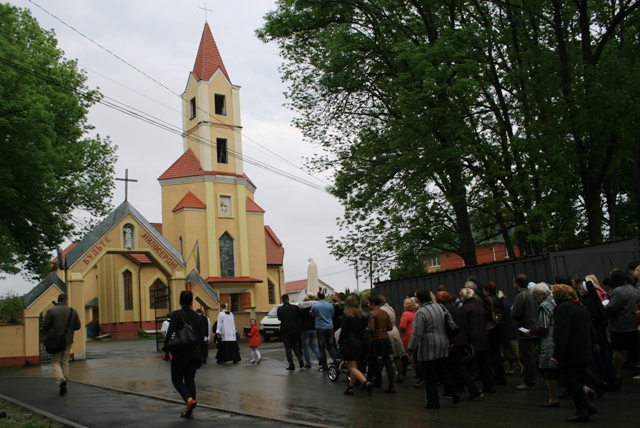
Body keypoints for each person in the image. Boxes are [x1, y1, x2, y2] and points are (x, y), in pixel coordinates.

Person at [550, 284, 597, 423]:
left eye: (554, 294)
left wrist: (557, 355)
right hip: (583, 351)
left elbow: (561, 334)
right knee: (579, 380)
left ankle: (582, 411)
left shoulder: (563, 308)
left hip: (571, 353)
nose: (553, 296)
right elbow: (591, 330)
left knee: (572, 383)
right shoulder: (580, 305)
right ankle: (588, 406)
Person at [408, 288, 460, 409]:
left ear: (419, 299)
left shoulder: (421, 313)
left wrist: (411, 348)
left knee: (430, 376)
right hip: (443, 342)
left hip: (429, 346)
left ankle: (433, 402)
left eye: (416, 297)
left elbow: (417, 334)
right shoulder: (440, 307)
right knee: (442, 371)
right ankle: (454, 391)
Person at [161, 291, 207, 419]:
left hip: (180, 353)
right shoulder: (198, 318)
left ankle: (188, 400)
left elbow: (170, 333)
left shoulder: (176, 315)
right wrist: (202, 355)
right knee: (190, 380)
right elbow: (202, 337)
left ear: (180, 301)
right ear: (192, 301)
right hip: (195, 354)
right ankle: (190, 411)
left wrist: (166, 350)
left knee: (176, 379)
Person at [437, 291, 483, 401]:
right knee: (457, 366)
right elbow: (466, 326)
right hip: (463, 341)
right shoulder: (459, 309)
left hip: (453, 342)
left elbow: (445, 328)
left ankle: (473, 390)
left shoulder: (443, 311)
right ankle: (457, 389)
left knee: (456, 367)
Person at [605, 268, 640, 385]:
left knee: (617, 349)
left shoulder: (618, 291)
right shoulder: (633, 289)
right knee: (635, 347)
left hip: (620, 326)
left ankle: (617, 374)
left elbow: (612, 308)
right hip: (633, 323)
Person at [41, 293, 81, 395]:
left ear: (58, 301)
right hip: (68, 340)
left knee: (55, 361)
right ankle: (65, 383)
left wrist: (51, 332)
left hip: (55, 341)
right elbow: (78, 326)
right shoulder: (72, 311)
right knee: (65, 362)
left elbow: (45, 326)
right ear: (66, 300)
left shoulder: (51, 311)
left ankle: (61, 379)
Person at [459, 287, 495, 394]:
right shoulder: (479, 306)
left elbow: (464, 326)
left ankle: (470, 388)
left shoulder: (465, 309)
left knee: (468, 365)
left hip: (472, 340)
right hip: (484, 337)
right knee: (485, 364)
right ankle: (489, 385)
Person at [529, 283, 558, 407]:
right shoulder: (555, 302)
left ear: (541, 294)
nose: (536, 300)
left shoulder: (544, 306)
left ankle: (553, 399)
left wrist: (533, 331)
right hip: (558, 336)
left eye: (536, 297)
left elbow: (544, 327)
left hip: (549, 340)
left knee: (548, 370)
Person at [339, 295, 373, 396]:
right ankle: (350, 387)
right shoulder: (361, 315)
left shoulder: (346, 315)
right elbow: (364, 329)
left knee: (352, 367)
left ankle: (366, 383)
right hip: (359, 341)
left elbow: (343, 331)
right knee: (355, 366)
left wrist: (340, 343)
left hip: (350, 342)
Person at [512, 273, 538, 390]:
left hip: (524, 330)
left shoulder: (520, 296)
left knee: (526, 357)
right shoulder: (531, 294)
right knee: (534, 355)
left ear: (517, 283)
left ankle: (529, 382)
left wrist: (512, 310)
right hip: (533, 327)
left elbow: (515, 314)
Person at [366, 294, 396, 393]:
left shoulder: (372, 314)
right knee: (387, 362)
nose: (368, 305)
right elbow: (390, 327)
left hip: (376, 340)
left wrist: (367, 329)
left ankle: (369, 382)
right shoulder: (385, 313)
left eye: (368, 303)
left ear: (372, 303)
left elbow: (372, 329)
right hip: (385, 339)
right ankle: (391, 385)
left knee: (372, 361)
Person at [482, 281, 507, 385]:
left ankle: (498, 377)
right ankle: (501, 376)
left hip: (492, 328)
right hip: (500, 327)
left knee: (494, 354)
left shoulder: (487, 300)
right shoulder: (498, 299)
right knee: (497, 353)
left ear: (487, 290)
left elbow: (486, 315)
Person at [379, 295, 407, 382]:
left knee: (383, 356)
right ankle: (400, 375)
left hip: (387, 332)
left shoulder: (381, 310)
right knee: (397, 355)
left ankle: (377, 375)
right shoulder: (390, 308)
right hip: (395, 331)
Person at [310, 291, 340, 371]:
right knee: (330, 345)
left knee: (322, 347)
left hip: (320, 328)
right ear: (324, 296)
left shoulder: (315, 306)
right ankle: (337, 361)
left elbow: (312, 314)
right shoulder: (330, 305)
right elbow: (332, 314)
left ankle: (324, 366)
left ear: (318, 297)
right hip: (330, 327)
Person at [277, 294, 304, 370]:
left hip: (285, 330)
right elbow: (299, 317)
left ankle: (291, 364)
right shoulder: (295, 308)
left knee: (287, 348)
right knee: (294, 345)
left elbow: (279, 318)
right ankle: (300, 358)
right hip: (294, 330)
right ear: (288, 299)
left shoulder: (280, 309)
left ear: (282, 300)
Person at [299, 294, 322, 368]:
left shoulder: (302, 310)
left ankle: (308, 363)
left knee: (306, 347)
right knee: (314, 345)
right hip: (313, 329)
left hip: (305, 330)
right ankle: (319, 357)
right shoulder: (313, 309)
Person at [399, 298, 417, 381]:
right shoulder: (416, 313)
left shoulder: (405, 314)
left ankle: (403, 373)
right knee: (416, 355)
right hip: (415, 335)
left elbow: (403, 326)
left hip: (407, 336)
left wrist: (401, 330)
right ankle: (418, 372)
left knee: (404, 355)